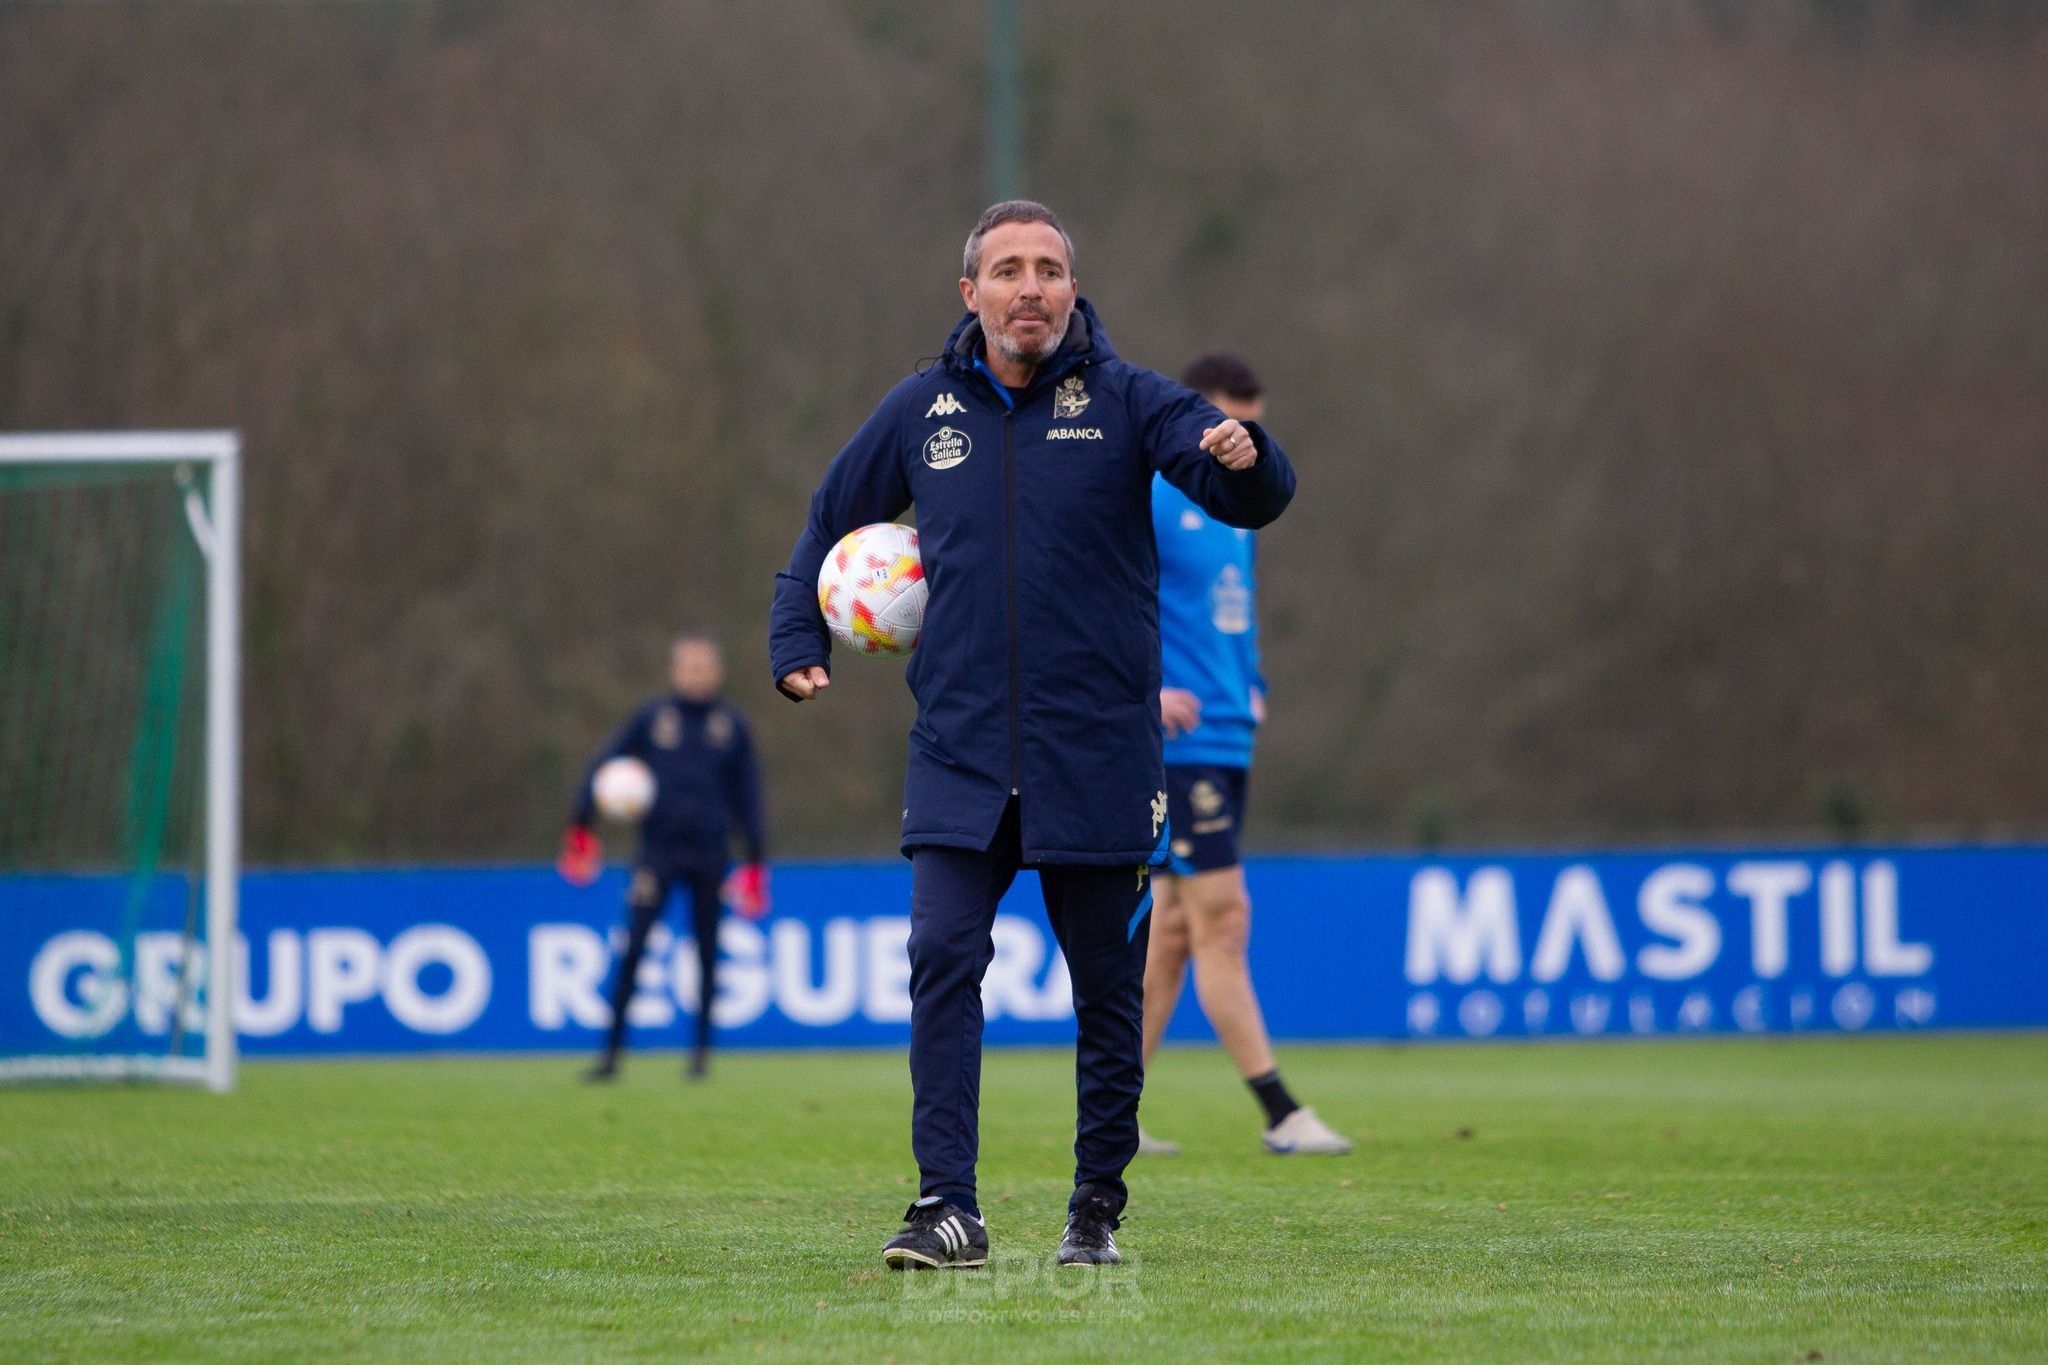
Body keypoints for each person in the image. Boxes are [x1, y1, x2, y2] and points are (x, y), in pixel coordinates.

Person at [770, 201, 1295, 1270]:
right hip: (958, 751)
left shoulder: (1128, 399)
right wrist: (794, 635)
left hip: (1095, 754)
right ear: (970, 293)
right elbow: (826, 522)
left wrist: (1246, 456)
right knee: (940, 956)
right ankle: (943, 1208)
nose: (1029, 288)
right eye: (1006, 270)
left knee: (1106, 986)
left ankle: (1093, 1208)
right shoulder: (922, 409)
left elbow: (1245, 495)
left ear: (1071, 289)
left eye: (1048, 269)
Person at [1139, 354, 1352, 1158]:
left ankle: (1110, 1112)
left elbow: (1233, 613)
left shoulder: (1238, 507)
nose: (1240, 439)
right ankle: (1280, 1109)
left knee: (1171, 935)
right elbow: (1107, 594)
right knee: (1224, 921)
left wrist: (1253, 679)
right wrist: (1144, 689)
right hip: (1178, 741)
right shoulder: (1156, 493)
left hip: (1229, 732)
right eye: (1229, 420)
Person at [558, 634, 768, 1082]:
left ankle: (700, 1059)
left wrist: (755, 862)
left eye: (704, 667)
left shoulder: (731, 725)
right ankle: (610, 1057)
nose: (696, 675)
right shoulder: (653, 718)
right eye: (689, 667)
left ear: (718, 673)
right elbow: (603, 765)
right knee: (633, 948)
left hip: (711, 854)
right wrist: (582, 825)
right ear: (675, 671)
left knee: (708, 954)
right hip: (658, 852)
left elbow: (747, 796)